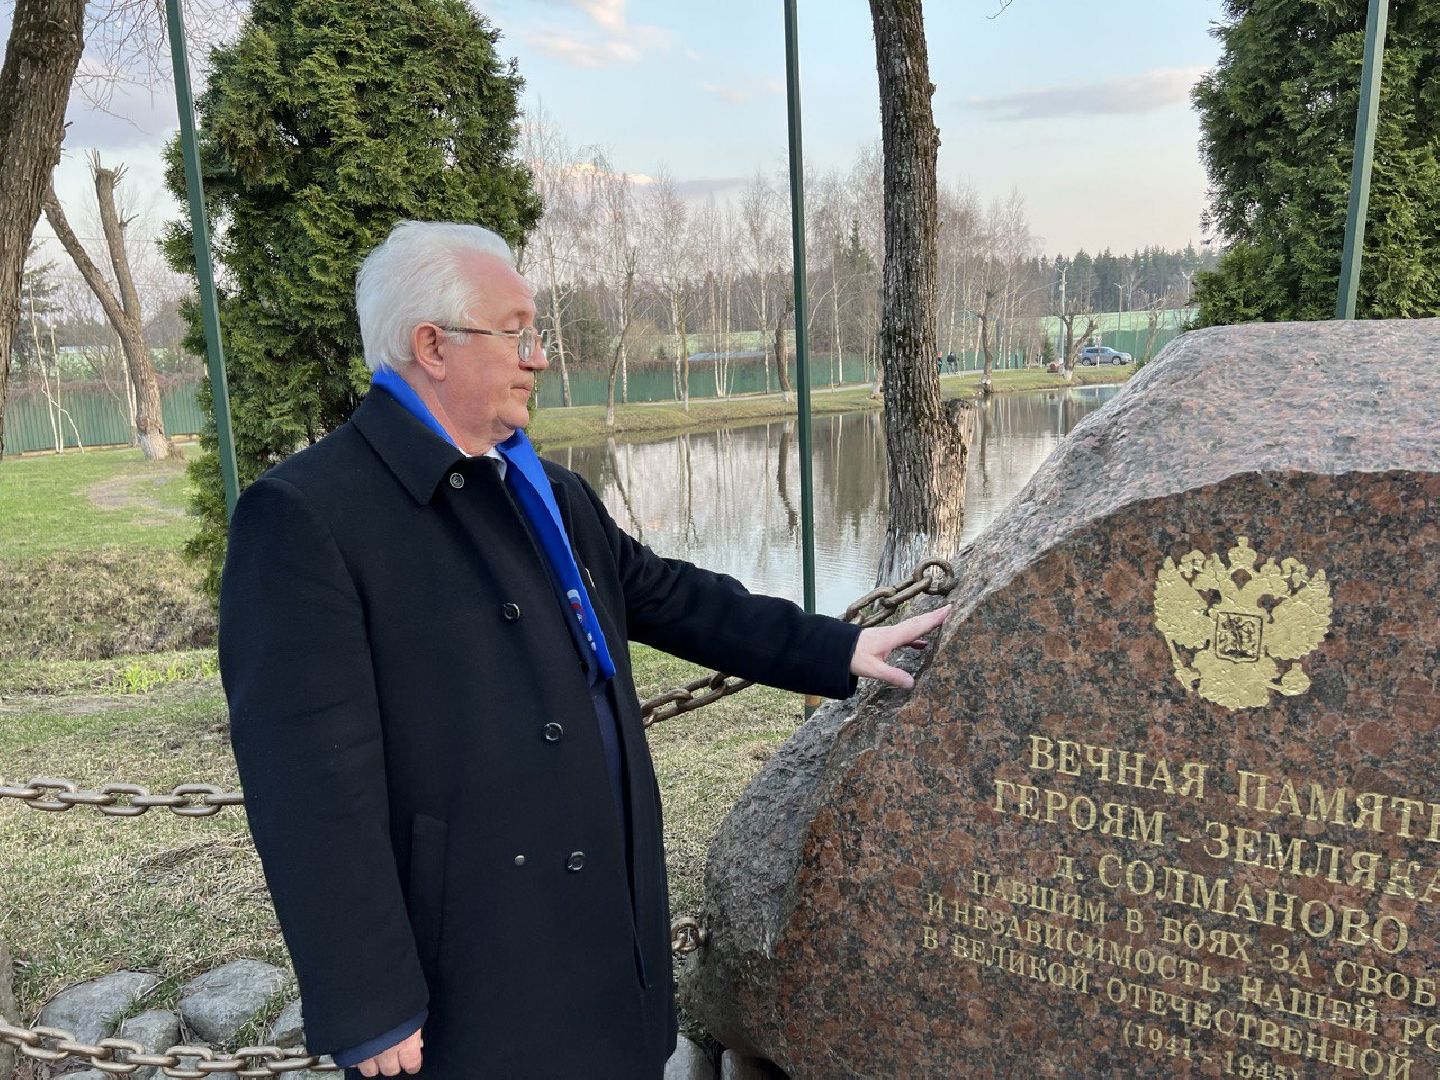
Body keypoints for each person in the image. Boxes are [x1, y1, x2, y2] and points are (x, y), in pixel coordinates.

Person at [219, 220, 949, 1080]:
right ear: (433, 346)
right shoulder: (307, 516)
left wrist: (841, 647)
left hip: (606, 936)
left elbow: (668, 594)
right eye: (519, 332)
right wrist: (369, 1004)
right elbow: (309, 788)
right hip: (476, 970)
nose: (539, 356)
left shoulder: (542, 487)